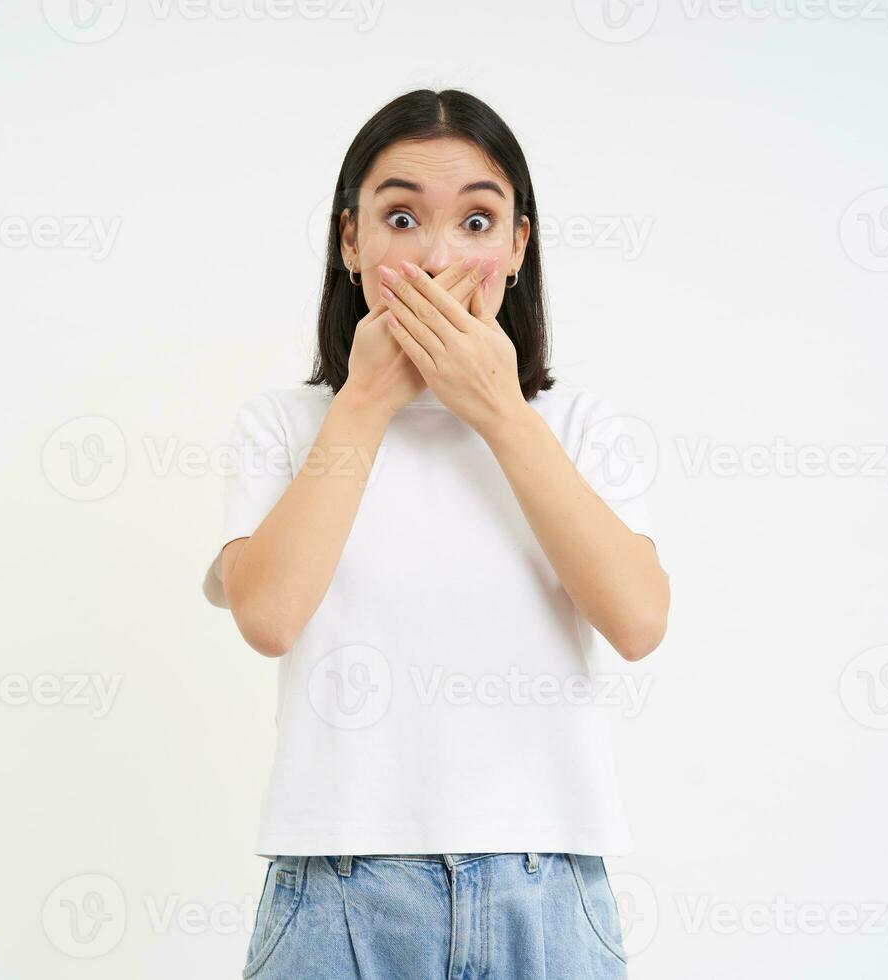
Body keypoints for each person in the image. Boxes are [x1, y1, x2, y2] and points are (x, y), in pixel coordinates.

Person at [203, 88, 671, 979]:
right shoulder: (284, 424)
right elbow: (267, 616)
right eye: (403, 216)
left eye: (477, 221)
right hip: (334, 892)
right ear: (351, 241)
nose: (437, 255)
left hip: (547, 888)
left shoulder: (574, 425)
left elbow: (639, 621)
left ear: (518, 249)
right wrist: (370, 395)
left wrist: (498, 408)